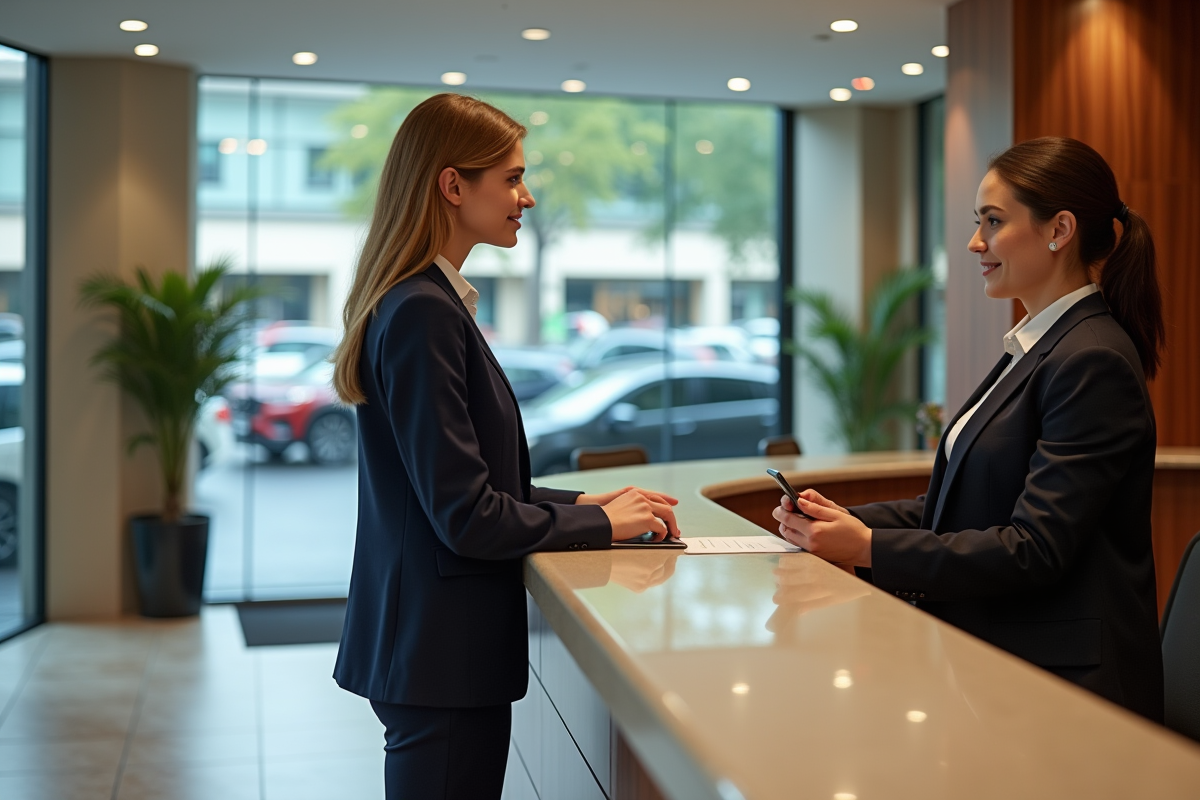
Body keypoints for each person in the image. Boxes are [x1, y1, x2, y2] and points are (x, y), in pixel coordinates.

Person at [329, 93, 682, 799]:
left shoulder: (421, 301)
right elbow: (465, 515)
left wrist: (588, 501)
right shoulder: (423, 310)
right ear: (453, 185)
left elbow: (472, 485)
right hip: (440, 655)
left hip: (431, 651)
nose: (527, 195)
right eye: (512, 178)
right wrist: (600, 524)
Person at [772, 136, 1165, 721]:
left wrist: (869, 547)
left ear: (1059, 230)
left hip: (1069, 694)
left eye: (993, 221)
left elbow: (1035, 549)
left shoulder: (1091, 359)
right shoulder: (1037, 345)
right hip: (1008, 663)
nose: (974, 242)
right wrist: (848, 521)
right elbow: (966, 503)